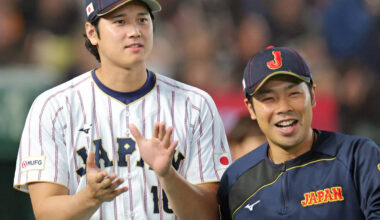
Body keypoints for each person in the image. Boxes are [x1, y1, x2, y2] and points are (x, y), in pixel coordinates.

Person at [13, 0, 231, 219]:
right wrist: (90, 197)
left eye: (142, 20)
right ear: (92, 33)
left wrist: (168, 175)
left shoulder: (195, 105)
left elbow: (210, 214)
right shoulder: (53, 108)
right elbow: (45, 214)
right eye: (120, 22)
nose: (135, 31)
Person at [217, 46, 380, 219]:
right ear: (250, 108)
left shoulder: (358, 156)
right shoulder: (235, 181)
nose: (284, 107)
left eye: (294, 94)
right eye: (269, 99)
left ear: (313, 95)